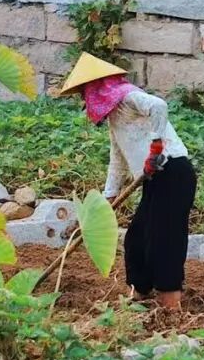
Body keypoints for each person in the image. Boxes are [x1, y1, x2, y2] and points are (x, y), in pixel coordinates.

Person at [55, 51, 196, 311]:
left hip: (173, 171)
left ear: (99, 87)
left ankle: (171, 305)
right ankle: (140, 295)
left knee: (164, 239)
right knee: (136, 240)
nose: (86, 100)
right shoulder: (115, 117)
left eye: (86, 92)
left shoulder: (129, 98)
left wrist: (156, 146)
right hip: (152, 180)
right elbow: (117, 159)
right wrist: (109, 196)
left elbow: (159, 106)